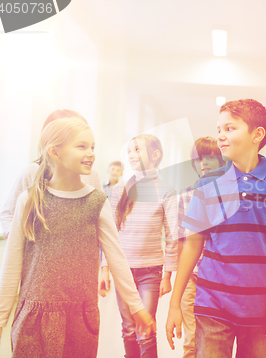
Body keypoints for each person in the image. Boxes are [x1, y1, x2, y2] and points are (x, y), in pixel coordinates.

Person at [0, 119, 155, 357]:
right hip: (33, 318)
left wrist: (137, 306)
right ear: (55, 152)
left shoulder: (97, 202)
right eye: (82, 147)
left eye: (92, 147)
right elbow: (11, 263)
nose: (91, 154)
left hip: (80, 319)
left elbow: (117, 260)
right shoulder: (29, 200)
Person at [166, 99, 266, 358]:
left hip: (263, 308)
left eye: (229, 128)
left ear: (257, 134)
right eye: (219, 129)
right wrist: (174, 302)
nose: (221, 136)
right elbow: (193, 244)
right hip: (212, 304)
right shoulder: (208, 182)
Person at [98, 133, 178, 358]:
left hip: (150, 272)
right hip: (122, 270)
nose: (132, 155)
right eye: (130, 150)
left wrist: (167, 275)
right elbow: (110, 233)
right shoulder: (119, 189)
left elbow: (172, 237)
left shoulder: (166, 190)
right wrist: (105, 268)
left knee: (145, 329)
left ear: (155, 155)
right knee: (129, 329)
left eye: (138, 150)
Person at [0, 109, 103, 240]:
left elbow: (100, 217)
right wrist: (23, 243)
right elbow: (8, 214)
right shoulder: (30, 173)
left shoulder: (92, 174)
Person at [177, 137, 226, 358]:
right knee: (189, 340)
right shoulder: (185, 196)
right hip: (191, 277)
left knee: (213, 339)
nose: (203, 163)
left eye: (210, 157)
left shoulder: (229, 195)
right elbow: (181, 241)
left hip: (217, 278)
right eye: (198, 158)